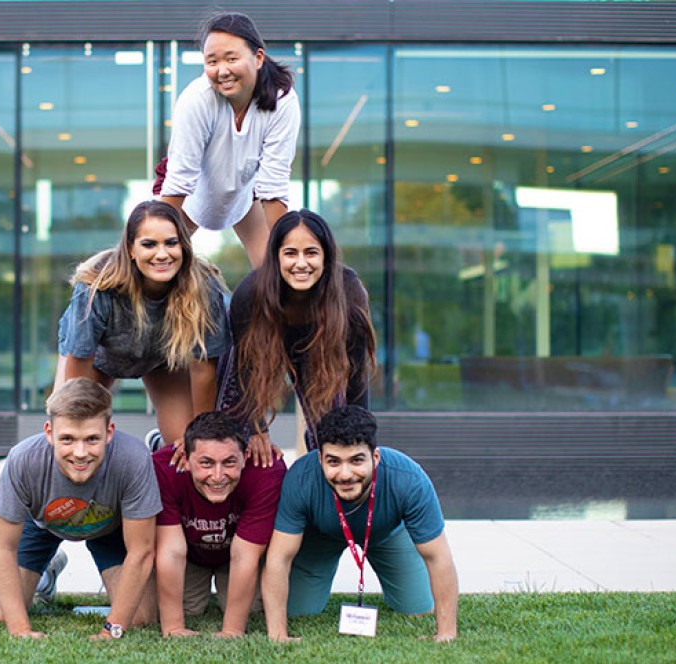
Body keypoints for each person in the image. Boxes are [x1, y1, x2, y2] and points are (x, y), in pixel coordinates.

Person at [0, 378, 161, 640]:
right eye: (67, 439)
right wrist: (21, 630)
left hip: (109, 526)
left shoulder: (133, 458)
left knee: (142, 617)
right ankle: (46, 573)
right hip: (43, 523)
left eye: (91, 439)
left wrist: (112, 630)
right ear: (49, 432)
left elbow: (141, 551)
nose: (80, 452)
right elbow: (1, 546)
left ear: (109, 432)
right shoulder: (23, 459)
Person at [261, 405, 459, 643]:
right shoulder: (301, 479)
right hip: (321, 536)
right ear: (320, 458)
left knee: (417, 609)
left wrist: (446, 633)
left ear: (375, 457)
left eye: (356, 460)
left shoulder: (408, 478)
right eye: (333, 462)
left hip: (386, 533)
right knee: (299, 612)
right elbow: (279, 558)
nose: (345, 474)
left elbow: (438, 556)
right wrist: (278, 634)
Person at [55, 199, 229, 448]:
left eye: (171, 243)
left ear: (184, 246)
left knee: (185, 446)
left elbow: (203, 369)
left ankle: (158, 444)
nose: (162, 254)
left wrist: (201, 437)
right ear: (131, 250)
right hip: (99, 358)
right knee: (76, 432)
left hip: (160, 359)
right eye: (149, 244)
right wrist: (76, 421)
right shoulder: (96, 288)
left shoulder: (203, 287)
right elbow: (79, 371)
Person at [219, 209, 377, 461]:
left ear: (326, 256)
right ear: (276, 257)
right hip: (255, 352)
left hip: (317, 347)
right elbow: (245, 370)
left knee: (330, 440)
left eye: (311, 253)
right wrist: (257, 430)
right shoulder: (250, 294)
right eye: (290, 253)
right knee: (234, 435)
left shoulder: (349, 292)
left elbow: (356, 374)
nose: (301, 263)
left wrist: (364, 440)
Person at [155, 11, 301, 268]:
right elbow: (179, 180)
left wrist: (288, 257)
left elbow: (274, 185)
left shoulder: (283, 100)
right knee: (149, 265)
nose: (222, 71)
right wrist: (155, 243)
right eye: (212, 61)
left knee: (277, 271)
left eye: (231, 59)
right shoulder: (196, 99)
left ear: (258, 57)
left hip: (244, 197)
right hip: (189, 197)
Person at [152, 411, 287, 638]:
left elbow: (245, 555)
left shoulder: (266, 470)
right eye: (206, 463)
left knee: (253, 610)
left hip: (236, 551)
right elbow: (171, 551)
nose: (217, 476)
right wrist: (173, 627)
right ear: (185, 458)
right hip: (190, 553)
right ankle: (157, 441)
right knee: (187, 609)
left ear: (244, 457)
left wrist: (232, 630)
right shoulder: (164, 468)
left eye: (229, 463)